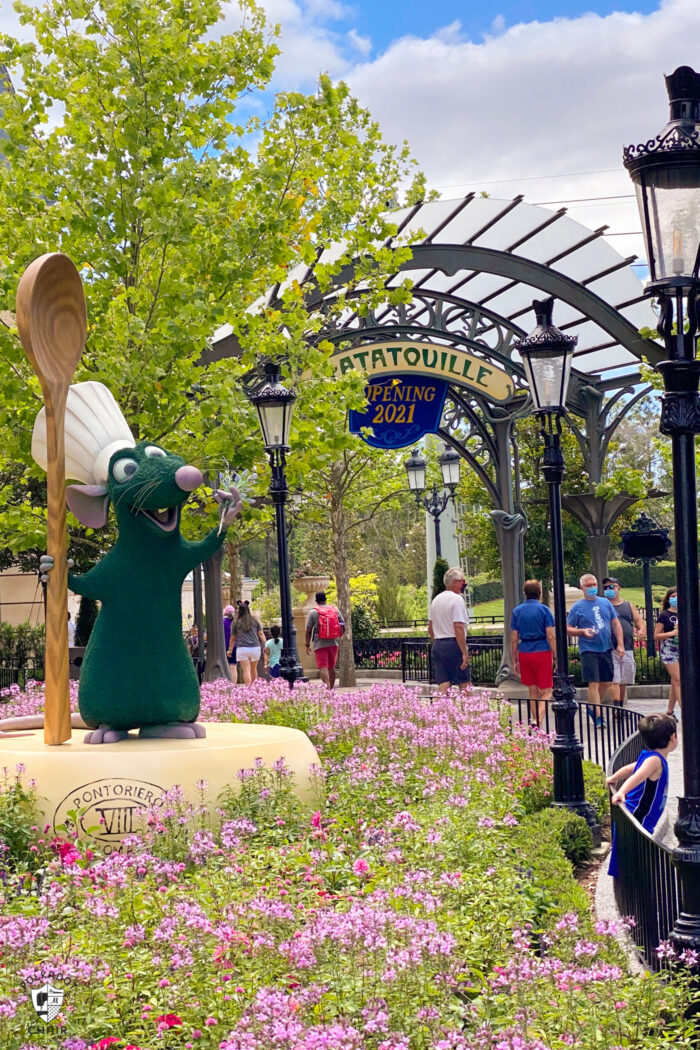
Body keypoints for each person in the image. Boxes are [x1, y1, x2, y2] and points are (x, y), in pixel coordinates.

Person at [606, 712, 677, 877]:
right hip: (639, 816)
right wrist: (622, 791)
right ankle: (630, 878)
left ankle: (629, 876)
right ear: (673, 737)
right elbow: (638, 775)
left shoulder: (650, 757)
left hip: (642, 817)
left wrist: (614, 778)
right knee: (634, 853)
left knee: (631, 852)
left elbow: (630, 768)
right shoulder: (655, 760)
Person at [566, 573, 624, 728]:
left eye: (594, 584)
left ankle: (592, 707)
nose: (592, 588)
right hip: (588, 648)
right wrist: (582, 632)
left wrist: (620, 644)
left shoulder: (605, 603)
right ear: (582, 588)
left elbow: (616, 623)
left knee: (606, 681)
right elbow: (568, 628)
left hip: (605, 647)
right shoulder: (577, 607)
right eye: (588, 585)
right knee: (594, 682)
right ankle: (599, 717)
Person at [510, 579, 556, 727]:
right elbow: (550, 635)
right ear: (540, 593)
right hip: (542, 650)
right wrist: (556, 655)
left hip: (525, 652)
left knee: (532, 691)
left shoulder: (517, 611)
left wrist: (514, 659)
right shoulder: (544, 610)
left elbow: (514, 638)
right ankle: (538, 720)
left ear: (525, 593)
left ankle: (536, 724)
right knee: (547, 691)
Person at [603, 576, 644, 708]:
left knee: (623, 679)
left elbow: (638, 620)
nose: (608, 590)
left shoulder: (628, 605)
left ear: (618, 588)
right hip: (609, 646)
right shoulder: (603, 605)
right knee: (614, 679)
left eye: (611, 587)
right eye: (605, 588)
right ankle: (617, 707)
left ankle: (620, 705)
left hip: (627, 647)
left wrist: (642, 629)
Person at [428, 566, 470, 693]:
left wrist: (436, 640)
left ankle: (443, 711)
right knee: (464, 683)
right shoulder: (457, 600)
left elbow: (430, 627)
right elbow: (458, 626)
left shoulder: (436, 600)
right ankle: (469, 711)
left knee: (443, 683)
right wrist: (464, 651)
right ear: (456, 582)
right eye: (463, 581)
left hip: (438, 644)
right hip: (453, 644)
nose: (465, 584)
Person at [305, 591, 344, 689]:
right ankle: (331, 688)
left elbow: (308, 630)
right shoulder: (335, 609)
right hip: (334, 642)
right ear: (325, 599)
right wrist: (338, 635)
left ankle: (327, 688)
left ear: (316, 601)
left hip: (320, 644)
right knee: (332, 667)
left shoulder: (313, 612)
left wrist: (307, 645)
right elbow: (343, 624)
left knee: (323, 667)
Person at [655, 587, 680, 720]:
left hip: (683, 648)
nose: (675, 599)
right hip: (669, 649)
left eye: (678, 596)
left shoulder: (686, 613)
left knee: (676, 682)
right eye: (673, 596)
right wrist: (672, 633)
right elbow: (656, 635)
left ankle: (670, 712)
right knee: (678, 679)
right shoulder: (664, 615)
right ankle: (686, 710)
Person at [228, 601, 266, 685]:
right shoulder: (254, 620)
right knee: (254, 669)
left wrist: (230, 649)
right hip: (255, 648)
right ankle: (254, 687)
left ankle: (248, 689)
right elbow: (260, 633)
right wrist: (265, 645)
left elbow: (233, 638)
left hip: (242, 648)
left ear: (239, 610)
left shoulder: (235, 622)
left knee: (246, 670)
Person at [223, 604, 237, 681]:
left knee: (224, 666)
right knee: (233, 666)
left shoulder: (221, 622)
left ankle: (225, 684)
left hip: (224, 646)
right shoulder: (235, 622)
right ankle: (234, 684)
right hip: (235, 645)